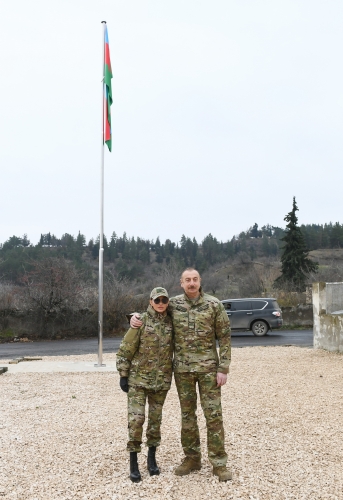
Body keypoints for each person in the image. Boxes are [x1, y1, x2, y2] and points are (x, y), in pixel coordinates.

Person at [130, 268, 232, 482]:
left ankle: (219, 463)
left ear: (200, 281)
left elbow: (224, 337)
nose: (192, 283)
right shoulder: (173, 304)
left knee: (213, 416)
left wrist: (223, 368)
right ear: (181, 283)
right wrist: (134, 318)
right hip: (183, 371)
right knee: (187, 417)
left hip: (208, 371)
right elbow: (153, 313)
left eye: (195, 279)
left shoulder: (214, 305)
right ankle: (192, 458)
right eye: (188, 280)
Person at [117, 287, 173, 483]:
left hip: (161, 381)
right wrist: (123, 374)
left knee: (155, 422)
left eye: (164, 300)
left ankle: (151, 459)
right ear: (150, 301)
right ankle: (133, 462)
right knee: (136, 420)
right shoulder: (140, 321)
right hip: (138, 381)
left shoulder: (171, 321)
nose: (160, 303)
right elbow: (126, 348)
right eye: (156, 300)